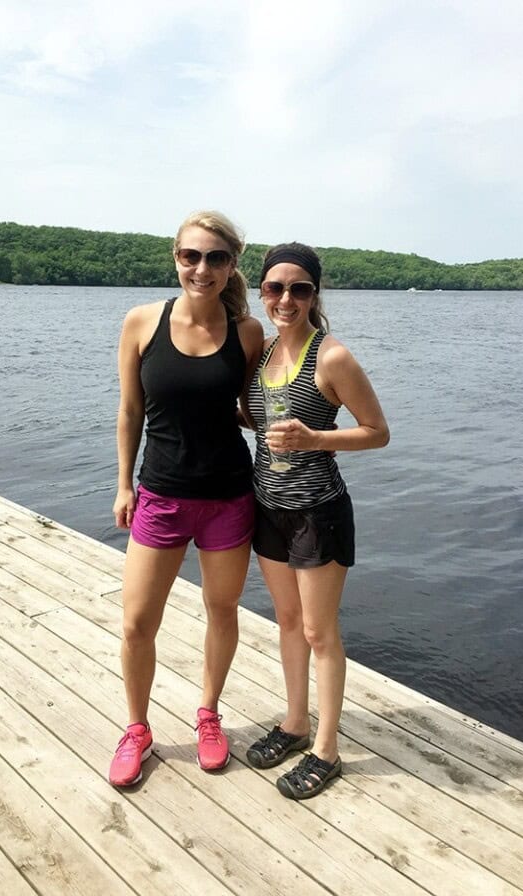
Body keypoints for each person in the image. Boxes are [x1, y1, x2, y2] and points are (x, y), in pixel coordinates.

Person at [109, 210, 263, 787]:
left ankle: (208, 714)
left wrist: (307, 424)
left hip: (229, 497)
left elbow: (250, 409)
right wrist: (125, 483)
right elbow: (129, 411)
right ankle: (137, 728)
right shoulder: (142, 322)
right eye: (190, 256)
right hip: (162, 495)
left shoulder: (247, 332)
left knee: (221, 611)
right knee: (136, 624)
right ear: (176, 258)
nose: (201, 268)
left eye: (215, 258)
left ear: (231, 266)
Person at [245, 242, 389, 800]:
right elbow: (250, 414)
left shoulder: (331, 357)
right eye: (276, 287)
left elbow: (377, 431)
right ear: (262, 292)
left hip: (317, 512)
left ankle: (327, 749)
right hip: (268, 508)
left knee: (318, 631)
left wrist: (316, 438)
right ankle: (295, 722)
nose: (286, 298)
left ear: (314, 294)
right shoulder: (259, 353)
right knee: (286, 622)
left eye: (299, 288)